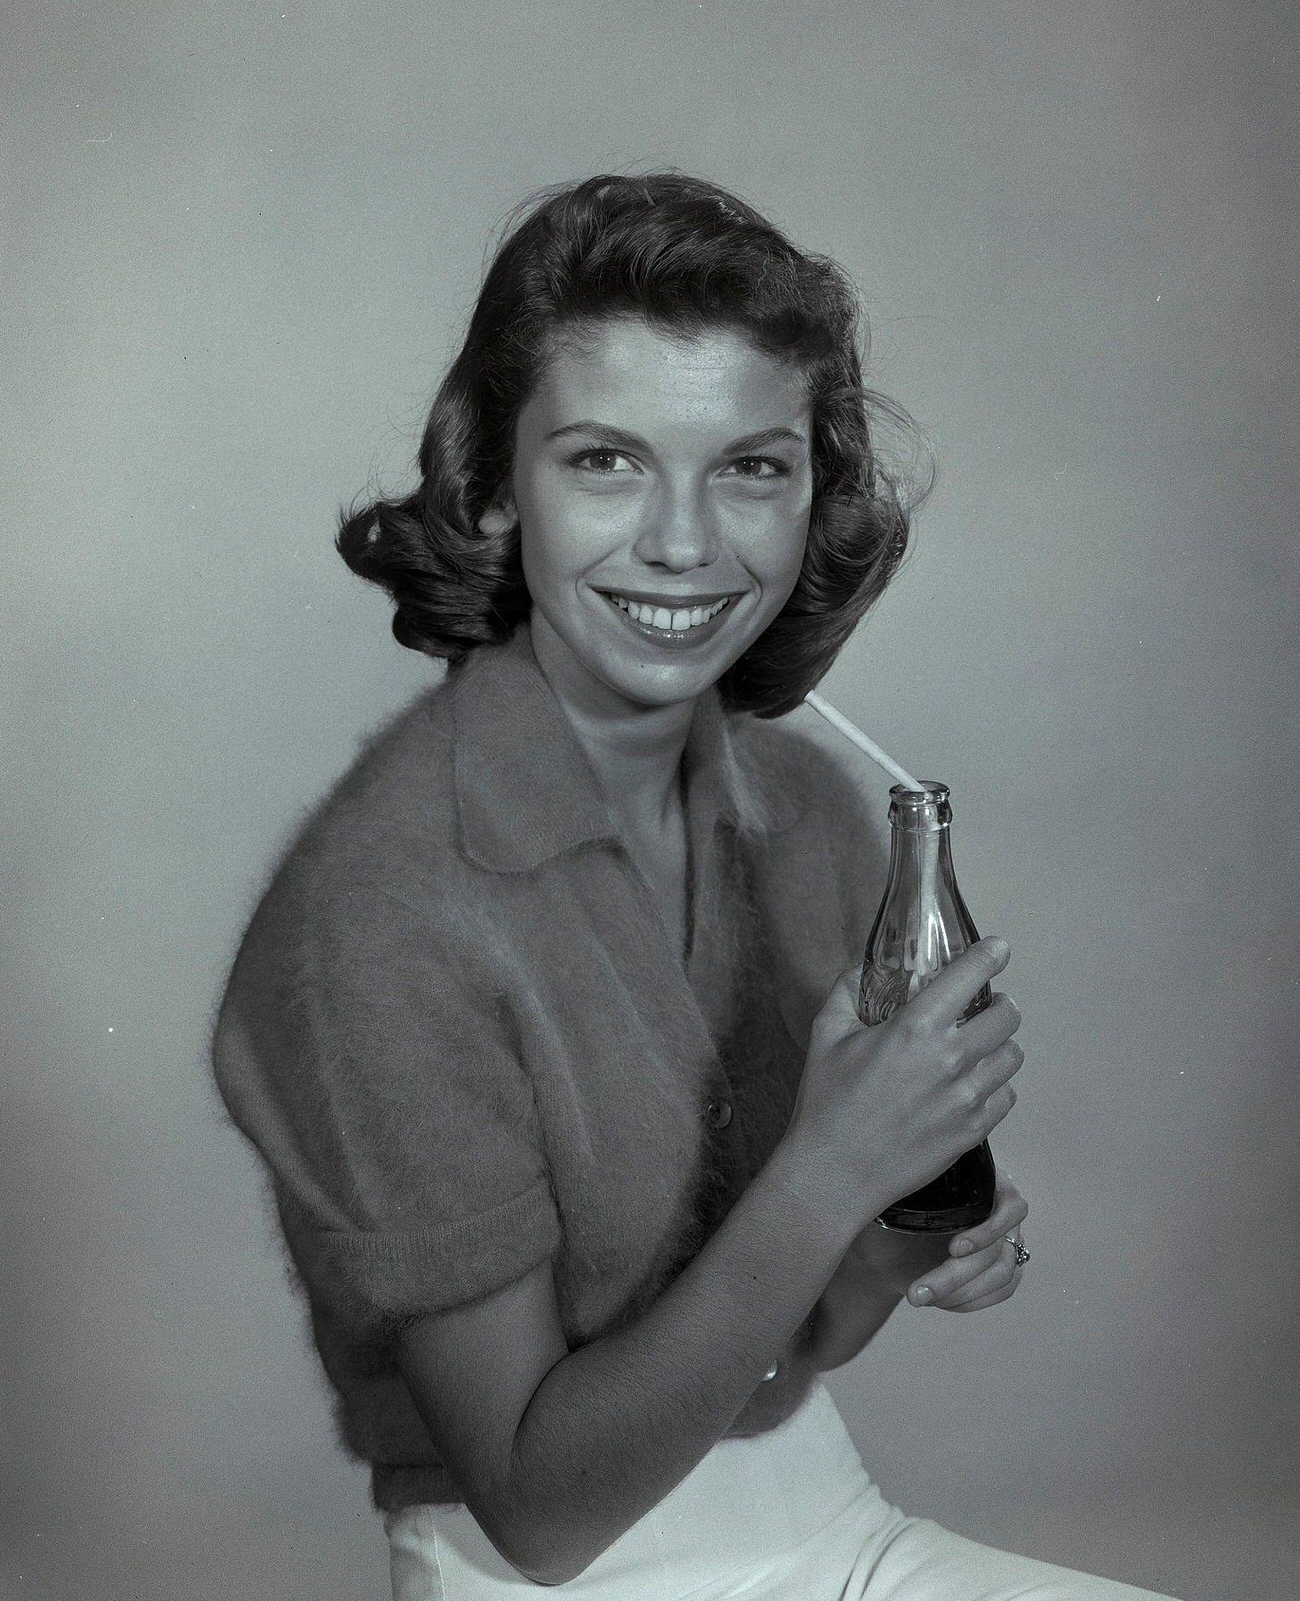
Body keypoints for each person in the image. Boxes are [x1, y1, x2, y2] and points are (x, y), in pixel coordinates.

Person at [212, 174, 1177, 1599]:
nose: (687, 543)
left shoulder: (807, 804)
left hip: (830, 1523)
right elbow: (544, 1514)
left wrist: (892, 1235)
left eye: (752, 467)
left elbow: (793, 1343)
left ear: (812, 492)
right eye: (605, 461)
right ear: (490, 484)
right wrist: (835, 1167)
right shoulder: (379, 911)